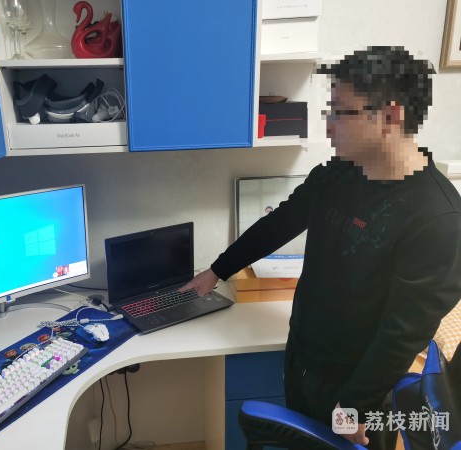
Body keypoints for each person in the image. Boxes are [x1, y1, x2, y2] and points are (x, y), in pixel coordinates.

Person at [181, 46, 461, 449]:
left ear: (391, 117)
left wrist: (354, 407)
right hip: (303, 358)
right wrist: (216, 271)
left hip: (358, 387)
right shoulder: (338, 174)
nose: (329, 127)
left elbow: (402, 334)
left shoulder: (437, 217)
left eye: (342, 113)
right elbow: (280, 222)